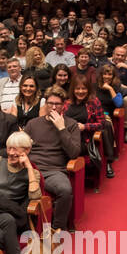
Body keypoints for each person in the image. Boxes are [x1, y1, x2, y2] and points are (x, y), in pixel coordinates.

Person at [24, 87, 83, 231]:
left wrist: (62, 129)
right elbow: (22, 146)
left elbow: (74, 153)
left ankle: (58, 229)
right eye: (50, 103)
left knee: (65, 190)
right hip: (30, 169)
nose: (54, 107)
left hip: (54, 171)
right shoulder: (33, 123)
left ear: (64, 105)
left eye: (57, 104)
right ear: (45, 104)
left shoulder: (71, 124)